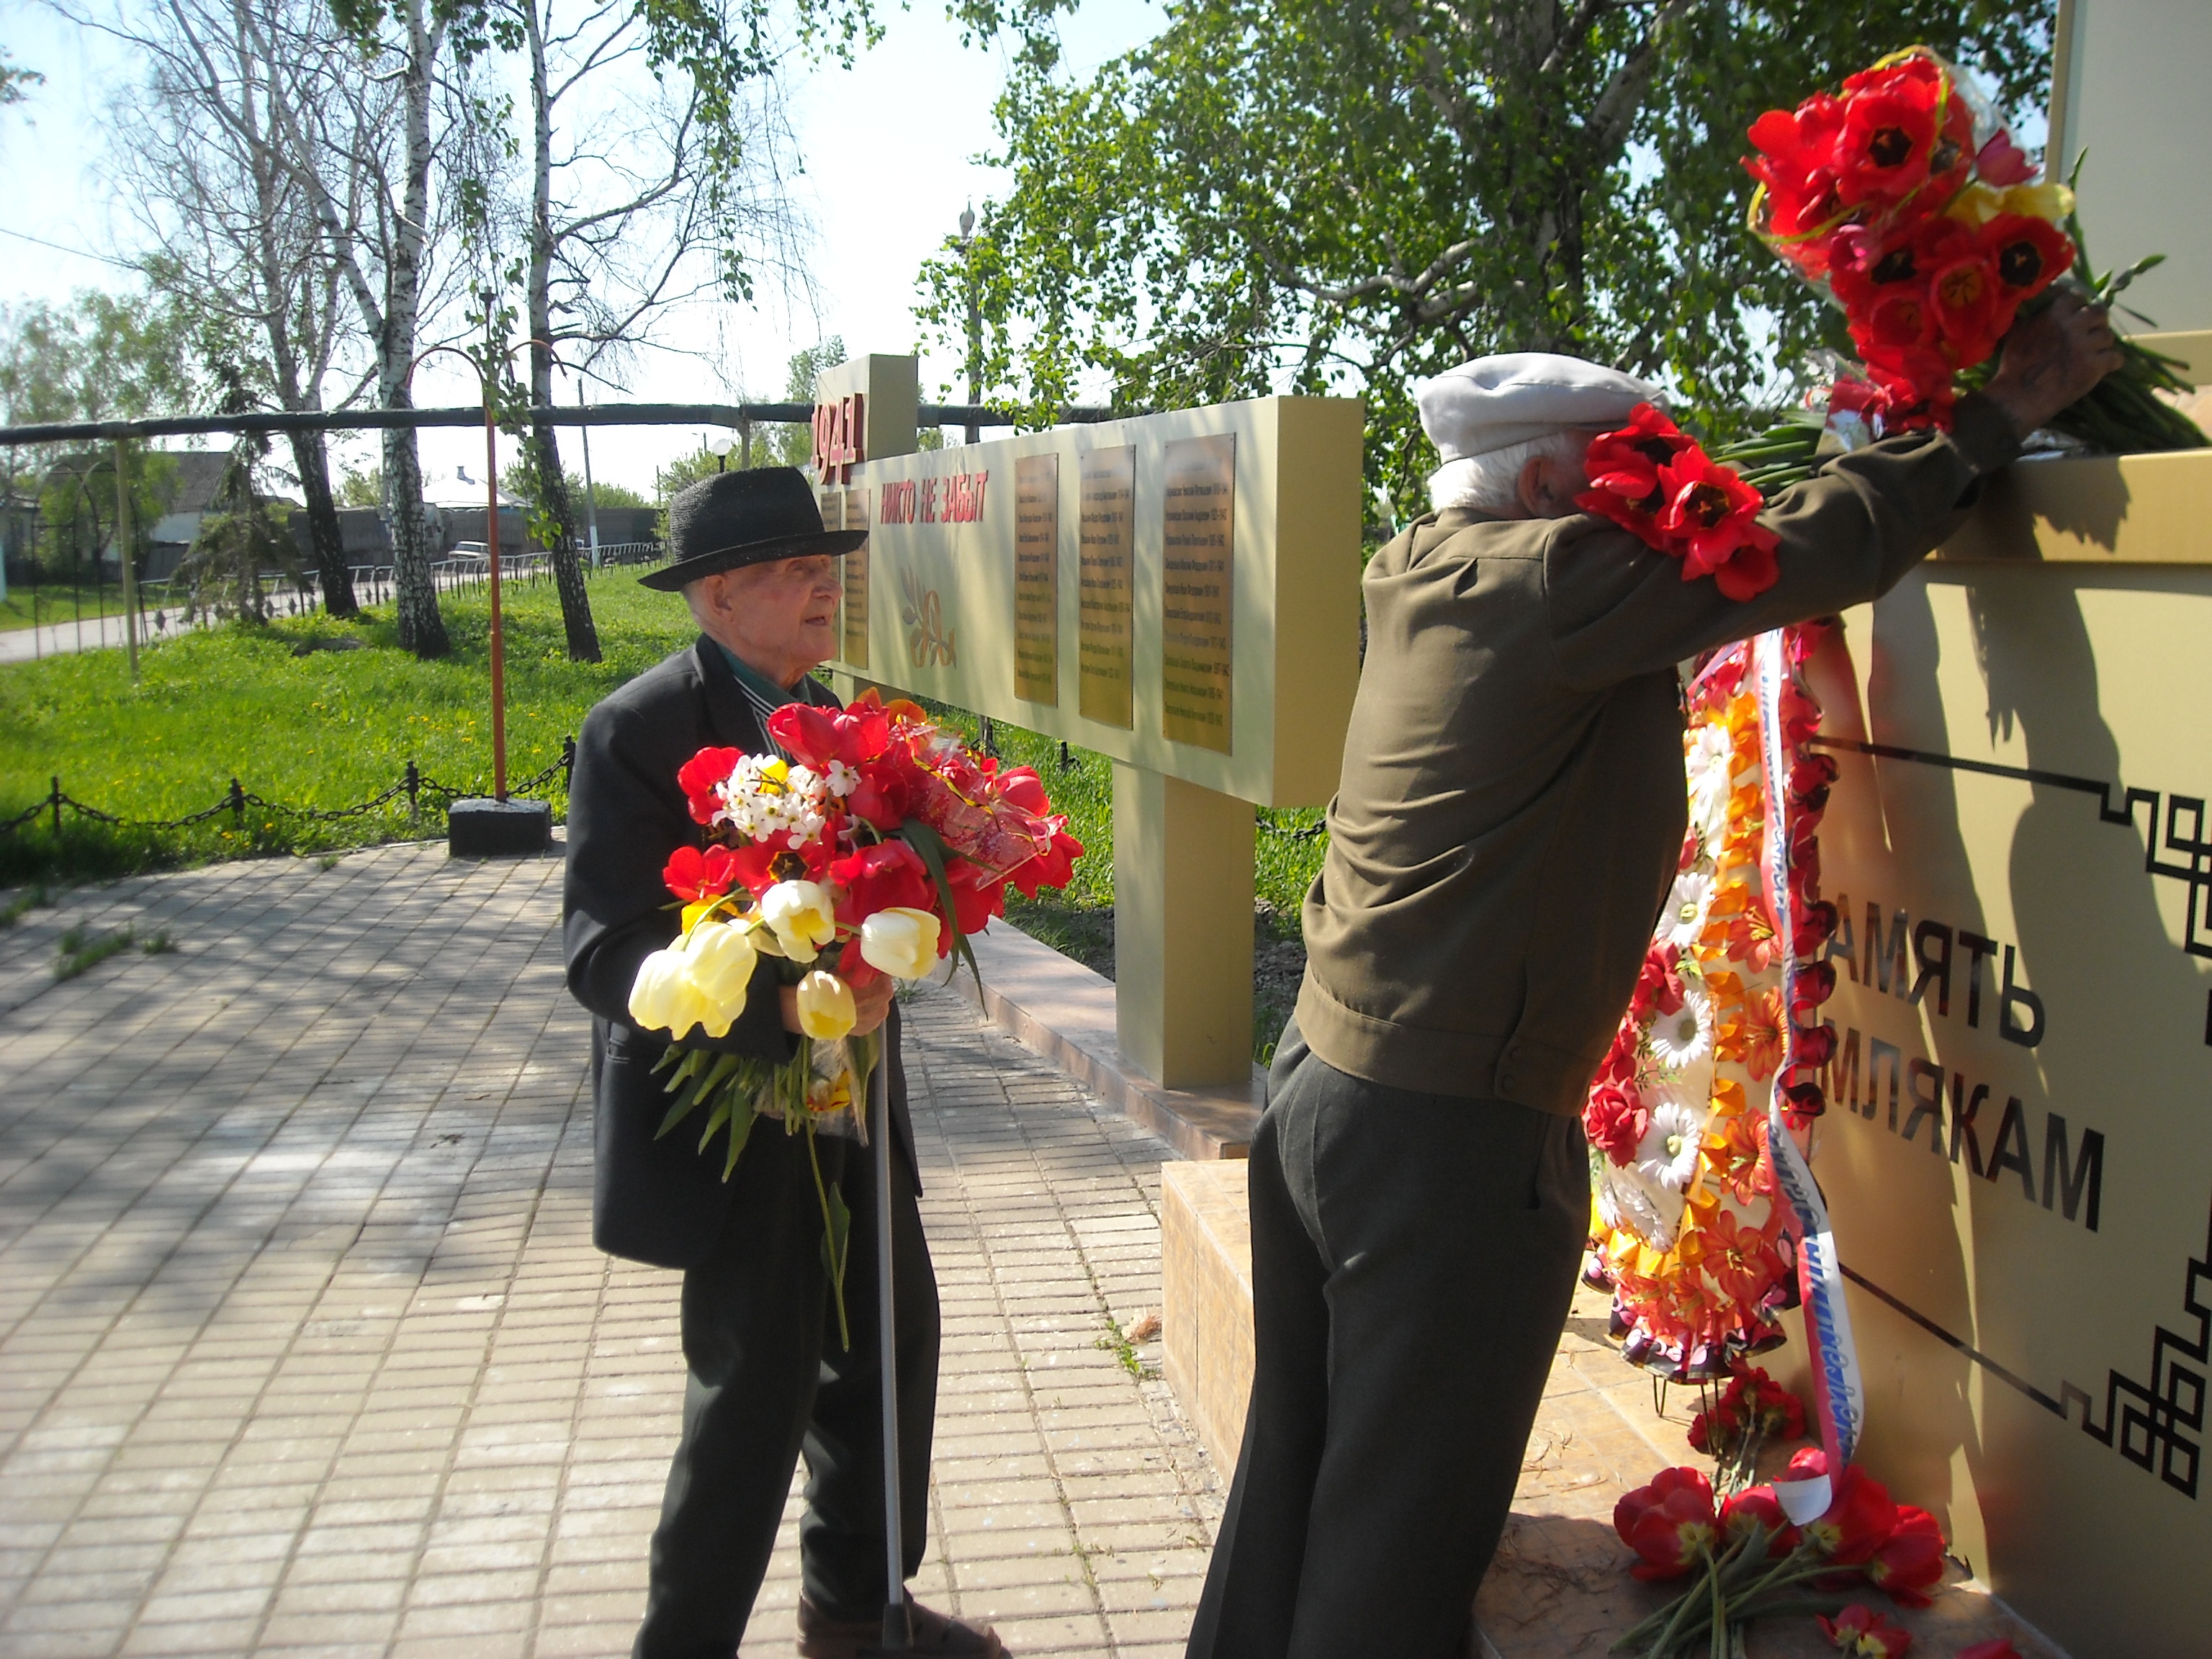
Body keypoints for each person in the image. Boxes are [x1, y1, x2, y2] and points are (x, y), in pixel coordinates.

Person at [1183, 293, 2123, 1659]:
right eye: (1633, 467)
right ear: (1561, 484)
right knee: (1397, 1542)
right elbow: (1810, 553)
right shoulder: (1554, 577)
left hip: (1330, 1088)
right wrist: (1994, 415)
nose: (1655, 497)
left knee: (1301, 1480)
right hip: (1443, 1136)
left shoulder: (1426, 560)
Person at [562, 466, 1005, 1659]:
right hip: (736, 1140)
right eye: (796, 572)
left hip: (856, 1116)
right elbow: (605, 952)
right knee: (750, 1406)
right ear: (717, 598)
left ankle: (857, 1619)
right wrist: (790, 1004)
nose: (826, 590)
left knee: (890, 1360)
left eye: (826, 568)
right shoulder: (640, 731)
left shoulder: (847, 721)